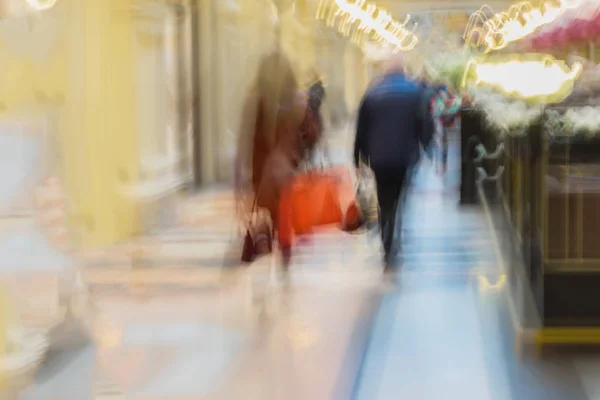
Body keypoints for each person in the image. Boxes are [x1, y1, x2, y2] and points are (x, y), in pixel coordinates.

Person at [353, 55, 434, 269]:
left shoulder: (373, 91)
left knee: (383, 197)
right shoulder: (414, 91)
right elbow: (424, 121)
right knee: (398, 196)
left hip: (378, 156)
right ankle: (393, 233)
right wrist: (427, 146)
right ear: (403, 69)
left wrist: (357, 156)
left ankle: (386, 238)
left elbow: (361, 126)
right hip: (404, 155)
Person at [235, 51, 311, 269]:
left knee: (266, 214)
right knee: (285, 214)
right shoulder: (297, 99)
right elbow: (312, 134)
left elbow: (246, 139)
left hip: (261, 172)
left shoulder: (255, 99)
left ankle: (268, 247)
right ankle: (284, 257)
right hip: (289, 169)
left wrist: (242, 179)